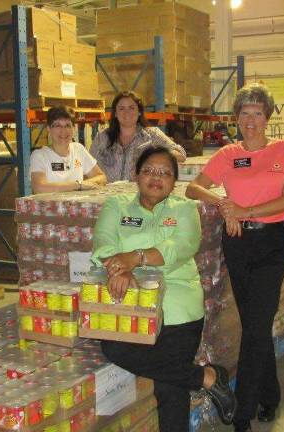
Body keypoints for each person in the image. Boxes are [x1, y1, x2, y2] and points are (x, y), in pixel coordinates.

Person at [185, 84, 284, 431]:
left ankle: (242, 412)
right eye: (244, 113)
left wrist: (246, 210)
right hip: (237, 244)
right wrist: (225, 205)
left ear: (267, 117)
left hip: (272, 243)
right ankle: (271, 395)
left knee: (255, 325)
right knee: (257, 323)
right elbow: (194, 187)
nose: (250, 120)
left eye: (257, 113)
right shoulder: (228, 154)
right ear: (236, 118)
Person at [91, 146, 237, 432]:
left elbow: (181, 247)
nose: (156, 178)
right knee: (113, 347)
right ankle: (207, 378)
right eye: (149, 171)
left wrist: (134, 260)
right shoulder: (116, 206)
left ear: (174, 181)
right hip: (131, 304)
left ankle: (200, 382)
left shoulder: (184, 209)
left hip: (178, 307)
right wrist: (117, 267)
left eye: (165, 173)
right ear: (136, 175)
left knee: (169, 387)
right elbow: (104, 242)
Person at [90, 91, 187, 182]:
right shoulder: (102, 138)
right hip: (107, 196)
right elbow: (87, 167)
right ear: (115, 113)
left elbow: (181, 154)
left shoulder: (152, 135)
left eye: (131, 108)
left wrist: (153, 154)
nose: (126, 112)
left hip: (140, 195)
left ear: (139, 112)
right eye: (121, 108)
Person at [30, 106, 106, 194]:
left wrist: (83, 184)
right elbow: (39, 188)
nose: (63, 131)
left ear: (73, 128)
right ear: (48, 129)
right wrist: (78, 185)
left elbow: (102, 177)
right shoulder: (39, 155)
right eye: (57, 125)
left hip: (77, 206)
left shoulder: (78, 149)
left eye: (67, 125)